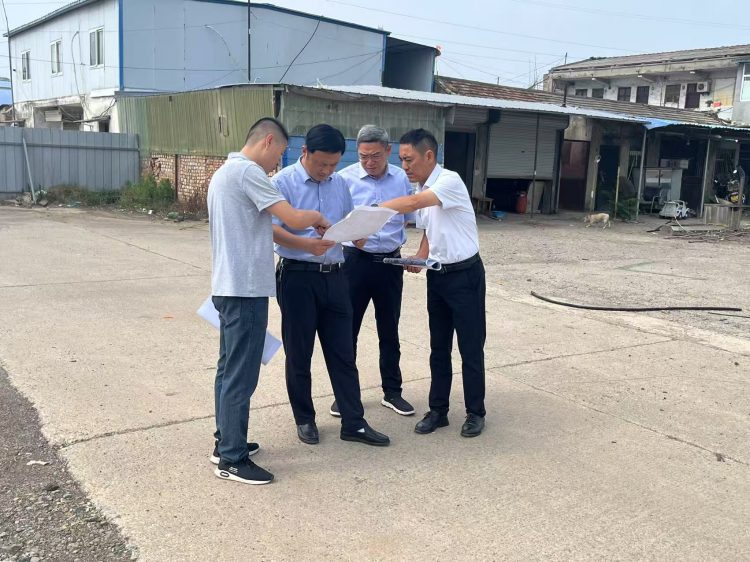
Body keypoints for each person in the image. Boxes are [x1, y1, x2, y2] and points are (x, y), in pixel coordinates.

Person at [208, 117, 330, 485]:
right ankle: (232, 458)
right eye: (279, 153)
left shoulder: (225, 173)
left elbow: (269, 228)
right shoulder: (249, 172)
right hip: (245, 289)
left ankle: (226, 440)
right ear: (267, 142)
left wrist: (305, 241)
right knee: (241, 374)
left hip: (228, 285)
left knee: (228, 369)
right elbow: (291, 217)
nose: (277, 162)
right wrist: (318, 217)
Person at [272, 124, 391, 447]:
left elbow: (346, 223)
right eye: (321, 163)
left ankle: (353, 422)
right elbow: (271, 228)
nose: (327, 170)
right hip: (298, 276)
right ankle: (305, 419)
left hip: (337, 276)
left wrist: (360, 234)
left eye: (333, 164)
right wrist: (305, 244)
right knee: (300, 353)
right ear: (304, 152)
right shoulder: (282, 182)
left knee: (343, 351)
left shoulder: (339, 184)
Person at [380, 128, 486, 438]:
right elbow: (429, 229)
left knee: (470, 347)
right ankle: (438, 410)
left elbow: (413, 204)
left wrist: (375, 211)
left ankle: (475, 412)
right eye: (401, 160)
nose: (405, 167)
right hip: (438, 276)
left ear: (429, 155)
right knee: (438, 347)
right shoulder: (425, 187)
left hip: (465, 276)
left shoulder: (448, 181)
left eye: (409, 159)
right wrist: (419, 257)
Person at [330, 125, 415, 418]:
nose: (369, 162)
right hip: (354, 262)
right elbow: (336, 221)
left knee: (389, 329)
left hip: (390, 263)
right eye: (363, 156)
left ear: (388, 151)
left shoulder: (401, 178)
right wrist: (352, 236)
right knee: (347, 330)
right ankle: (345, 395)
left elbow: (407, 218)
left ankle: (392, 392)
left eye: (375, 156)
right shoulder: (344, 179)